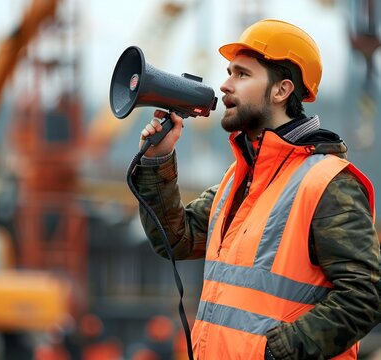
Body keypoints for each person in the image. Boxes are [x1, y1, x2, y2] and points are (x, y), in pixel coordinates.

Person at [133, 19, 381, 359]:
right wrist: (158, 161)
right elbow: (175, 239)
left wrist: (275, 352)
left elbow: (365, 295)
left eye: (242, 75)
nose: (224, 85)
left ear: (281, 91)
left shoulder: (328, 183)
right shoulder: (239, 179)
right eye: (229, 72)